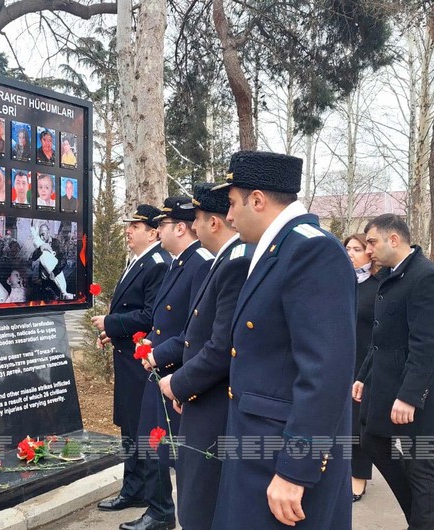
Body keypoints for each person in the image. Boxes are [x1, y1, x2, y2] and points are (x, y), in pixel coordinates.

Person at [211, 151, 355, 530]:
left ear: (257, 200)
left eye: (231, 203)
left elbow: (326, 370)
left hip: (282, 456)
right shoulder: (278, 248)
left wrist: (296, 469)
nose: (228, 216)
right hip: (257, 445)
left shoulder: (310, 249)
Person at [153, 183, 250, 529]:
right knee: (196, 499)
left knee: (202, 503)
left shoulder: (236, 263)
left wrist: (180, 384)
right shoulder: (222, 261)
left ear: (214, 223)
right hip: (202, 397)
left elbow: (220, 346)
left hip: (215, 405)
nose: (191, 227)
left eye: (196, 219)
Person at [353, 214, 434, 530]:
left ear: (393, 240)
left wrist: (410, 397)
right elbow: (380, 339)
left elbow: (427, 345)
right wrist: (362, 376)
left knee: (420, 464)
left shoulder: (426, 278)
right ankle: (425, 521)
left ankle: (422, 524)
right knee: (372, 442)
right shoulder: (393, 276)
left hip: (415, 394)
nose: (368, 250)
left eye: (372, 242)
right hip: (384, 386)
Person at [126, 196, 213, 530]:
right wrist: (148, 342)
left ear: (180, 226)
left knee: (176, 450)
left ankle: (169, 513)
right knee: (155, 442)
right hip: (159, 366)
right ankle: (159, 510)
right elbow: (164, 319)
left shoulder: (201, 262)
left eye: (161, 225)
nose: (157, 230)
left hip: (178, 370)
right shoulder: (179, 261)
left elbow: (196, 328)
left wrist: (158, 353)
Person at [90, 205, 170, 519]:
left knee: (143, 431)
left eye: (135, 226)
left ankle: (154, 502)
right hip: (127, 356)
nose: (128, 230)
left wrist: (111, 323)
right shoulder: (137, 261)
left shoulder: (157, 264)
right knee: (129, 429)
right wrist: (115, 335)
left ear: (152, 231)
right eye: (129, 225)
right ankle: (133, 490)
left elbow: (150, 316)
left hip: (142, 364)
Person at [343, 233, 378, 502]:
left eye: (357, 248)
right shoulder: (342, 282)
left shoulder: (378, 285)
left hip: (367, 361)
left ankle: (359, 475)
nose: (351, 253)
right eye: (348, 248)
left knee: (358, 422)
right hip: (341, 358)